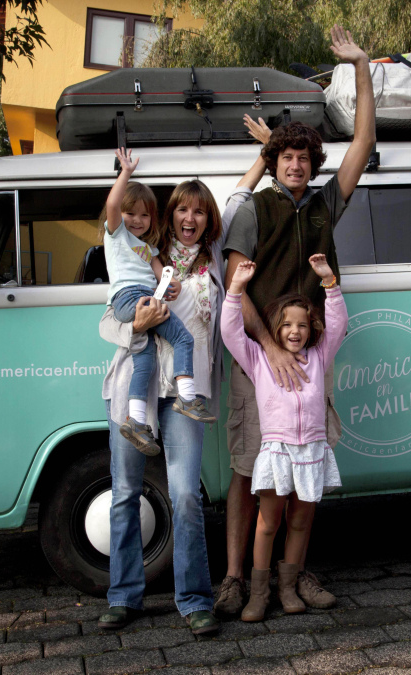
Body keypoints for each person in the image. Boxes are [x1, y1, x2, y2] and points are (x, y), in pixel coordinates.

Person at [215, 24, 375, 617]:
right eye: (286, 157)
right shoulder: (253, 209)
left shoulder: (327, 205)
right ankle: (237, 578)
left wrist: (359, 65)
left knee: (304, 468)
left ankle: (293, 575)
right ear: (274, 161)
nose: (296, 166)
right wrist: (269, 347)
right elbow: (236, 280)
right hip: (258, 358)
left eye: (305, 158)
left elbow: (362, 140)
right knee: (248, 471)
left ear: (313, 164)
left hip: (306, 359)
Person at [96, 122, 272, 634]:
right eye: (181, 209)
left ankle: (194, 599)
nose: (190, 217)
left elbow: (240, 196)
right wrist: (137, 323)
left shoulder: (215, 261)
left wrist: (266, 154)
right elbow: (110, 320)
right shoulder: (139, 253)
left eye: (199, 210)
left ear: (206, 218)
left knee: (187, 495)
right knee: (126, 491)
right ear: (167, 215)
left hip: (186, 397)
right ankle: (124, 596)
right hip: (135, 385)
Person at [221, 255, 346, 621]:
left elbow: (338, 326)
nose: (295, 331)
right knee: (268, 522)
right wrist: (236, 289)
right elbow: (230, 331)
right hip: (276, 452)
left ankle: (288, 587)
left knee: (300, 522)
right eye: (288, 324)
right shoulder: (258, 358)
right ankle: (258, 594)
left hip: (311, 451)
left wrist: (329, 283)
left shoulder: (319, 357)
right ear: (275, 328)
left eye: (303, 325)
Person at [103, 152, 216, 456]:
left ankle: (137, 421)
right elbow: (113, 206)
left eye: (144, 215)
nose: (136, 220)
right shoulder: (117, 236)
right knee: (182, 337)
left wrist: (173, 286)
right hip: (129, 298)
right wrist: (126, 173)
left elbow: (162, 275)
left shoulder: (148, 247)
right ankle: (187, 397)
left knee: (146, 358)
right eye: (131, 213)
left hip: (144, 296)